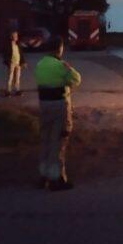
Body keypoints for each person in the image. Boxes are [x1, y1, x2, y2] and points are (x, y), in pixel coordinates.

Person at [35, 39, 81, 191]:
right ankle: (56, 179)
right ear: (59, 49)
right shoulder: (60, 65)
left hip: (44, 106)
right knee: (58, 143)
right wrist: (68, 68)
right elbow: (76, 79)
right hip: (59, 106)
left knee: (45, 141)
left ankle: (43, 177)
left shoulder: (40, 64)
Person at [2, 31, 26, 96]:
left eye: (16, 36)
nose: (16, 37)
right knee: (10, 77)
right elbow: (5, 54)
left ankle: (17, 90)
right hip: (11, 63)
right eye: (15, 36)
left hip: (18, 63)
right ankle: (8, 90)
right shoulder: (8, 45)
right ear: (11, 37)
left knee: (17, 77)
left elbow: (21, 54)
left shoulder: (18, 45)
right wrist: (8, 62)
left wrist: (23, 62)